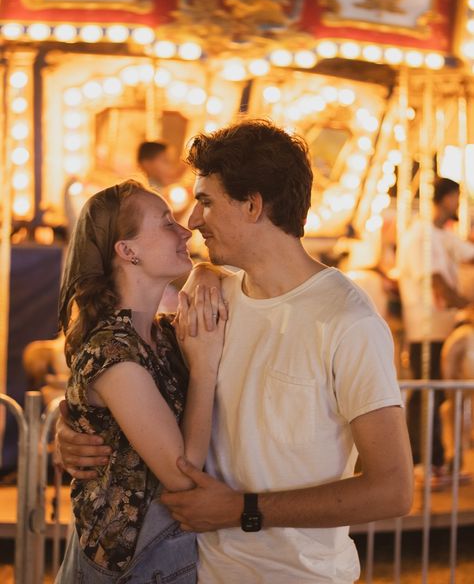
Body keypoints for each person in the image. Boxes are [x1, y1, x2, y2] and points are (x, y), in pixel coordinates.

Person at [58, 121, 413, 584]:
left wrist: (244, 511)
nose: (192, 222)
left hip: (290, 574)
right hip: (193, 566)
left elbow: (393, 489)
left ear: (252, 205)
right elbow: (131, 381)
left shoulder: (348, 322)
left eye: (205, 201)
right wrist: (74, 427)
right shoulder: (213, 297)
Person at [55, 179, 226, 583]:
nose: (185, 230)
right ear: (127, 251)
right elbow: (183, 475)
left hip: (163, 550)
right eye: (166, 223)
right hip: (134, 561)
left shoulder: (162, 336)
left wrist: (204, 270)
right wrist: (203, 370)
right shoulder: (112, 353)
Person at [398, 177, 474, 486]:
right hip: (426, 326)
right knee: (425, 391)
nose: (458, 204)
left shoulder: (442, 235)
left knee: (442, 394)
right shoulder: (421, 236)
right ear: (444, 199)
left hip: (442, 327)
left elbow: (467, 253)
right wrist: (468, 303)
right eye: (456, 198)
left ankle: (442, 460)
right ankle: (421, 461)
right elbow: (438, 283)